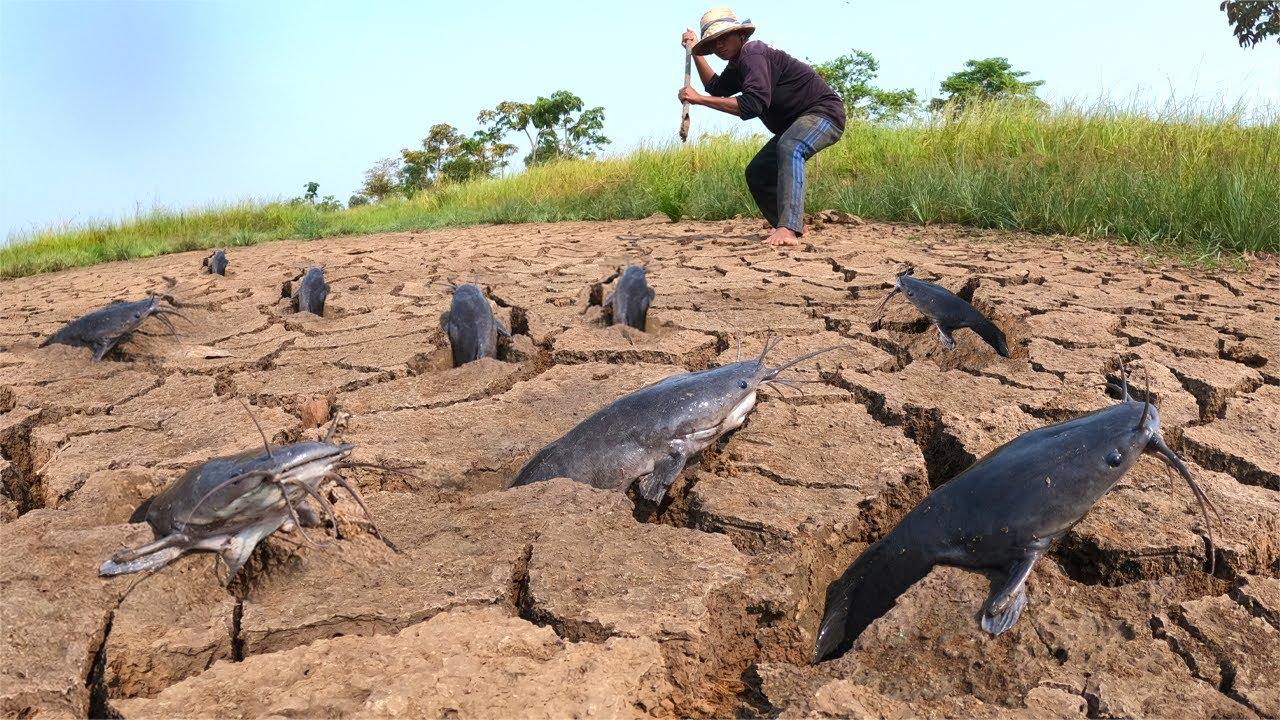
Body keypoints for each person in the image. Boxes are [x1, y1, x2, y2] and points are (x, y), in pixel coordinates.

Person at [678, 8, 846, 246]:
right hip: (794, 125)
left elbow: (752, 105)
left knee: (790, 146)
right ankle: (794, 226)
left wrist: (699, 100)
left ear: (740, 35)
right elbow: (717, 88)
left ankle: (788, 228)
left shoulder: (752, 53)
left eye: (724, 37)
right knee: (758, 172)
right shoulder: (738, 64)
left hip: (823, 114)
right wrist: (696, 51)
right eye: (714, 42)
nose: (720, 45)